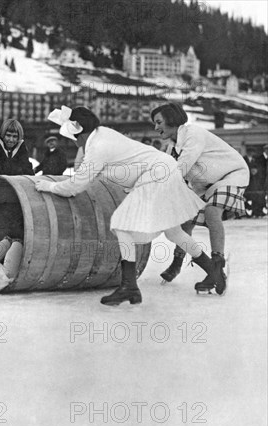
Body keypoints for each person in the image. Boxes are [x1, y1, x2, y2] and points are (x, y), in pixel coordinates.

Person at [35, 105, 217, 305]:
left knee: (123, 228)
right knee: (173, 233)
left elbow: (75, 186)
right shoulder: (101, 133)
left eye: (74, 136)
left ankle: (129, 287)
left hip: (156, 174)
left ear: (79, 131)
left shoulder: (98, 146)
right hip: (164, 169)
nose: (74, 141)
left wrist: (48, 186)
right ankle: (214, 272)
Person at [151, 102, 250, 290]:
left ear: (171, 120)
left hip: (230, 174)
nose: (156, 128)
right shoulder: (170, 147)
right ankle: (177, 263)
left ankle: (217, 264)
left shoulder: (192, 134)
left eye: (158, 122)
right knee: (185, 221)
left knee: (213, 211)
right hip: (203, 185)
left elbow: (182, 167)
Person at [243, 146, 265, 217]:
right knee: (245, 198)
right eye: (249, 152)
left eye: (252, 152)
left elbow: (257, 169)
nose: (251, 153)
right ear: (247, 152)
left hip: (254, 182)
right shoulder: (244, 159)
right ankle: (245, 213)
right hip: (246, 181)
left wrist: (256, 171)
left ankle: (255, 212)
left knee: (255, 198)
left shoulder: (255, 160)